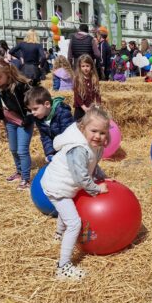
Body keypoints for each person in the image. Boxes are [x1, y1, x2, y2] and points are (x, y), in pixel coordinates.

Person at [40, 107, 110, 280]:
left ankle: (58, 234)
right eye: (94, 131)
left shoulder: (94, 145)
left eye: (102, 133)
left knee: (67, 212)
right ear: (82, 128)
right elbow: (81, 176)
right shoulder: (78, 147)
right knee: (74, 223)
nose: (98, 136)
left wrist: (102, 177)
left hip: (64, 186)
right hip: (57, 186)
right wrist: (96, 188)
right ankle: (63, 267)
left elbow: (92, 164)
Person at [0, 57, 34, 190]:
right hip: (10, 122)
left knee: (22, 150)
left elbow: (32, 102)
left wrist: (29, 118)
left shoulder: (20, 86)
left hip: (23, 122)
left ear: (8, 73)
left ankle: (26, 179)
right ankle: (19, 172)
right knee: (13, 149)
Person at [25, 86, 75, 161]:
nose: (32, 112)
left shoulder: (62, 112)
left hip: (71, 149)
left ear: (47, 104)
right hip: (58, 150)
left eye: (35, 109)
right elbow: (45, 137)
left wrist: (62, 153)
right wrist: (50, 153)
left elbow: (68, 135)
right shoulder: (39, 118)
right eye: (30, 110)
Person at [73, 54, 102, 120]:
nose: (85, 68)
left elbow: (97, 93)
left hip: (90, 108)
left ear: (91, 66)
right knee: (79, 126)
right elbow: (77, 95)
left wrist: (98, 105)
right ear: (80, 67)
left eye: (87, 66)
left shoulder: (94, 78)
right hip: (80, 109)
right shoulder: (78, 79)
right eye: (83, 66)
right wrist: (84, 107)